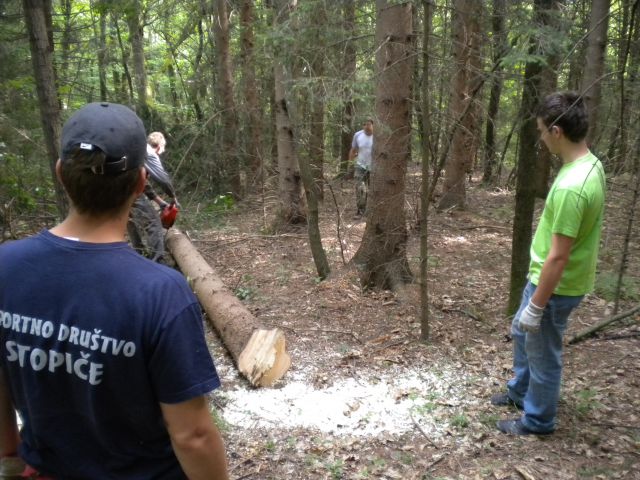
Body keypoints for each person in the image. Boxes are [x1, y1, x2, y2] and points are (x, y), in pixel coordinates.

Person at [0, 102, 229, 479]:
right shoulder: (161, 293)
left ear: (60, 173)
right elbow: (193, 435)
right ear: (141, 182)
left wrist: (10, 455)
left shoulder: (6, 266)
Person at [492, 92, 606, 435]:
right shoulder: (589, 164)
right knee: (523, 337)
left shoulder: (572, 187)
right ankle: (520, 391)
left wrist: (537, 305)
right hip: (547, 279)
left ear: (557, 131)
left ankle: (538, 421)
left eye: (543, 131)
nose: (541, 138)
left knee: (543, 355)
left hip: (555, 285)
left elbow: (559, 254)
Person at [127, 131, 178, 263]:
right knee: (154, 222)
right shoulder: (150, 153)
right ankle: (158, 260)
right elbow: (163, 179)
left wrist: (161, 203)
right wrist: (173, 196)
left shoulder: (139, 151)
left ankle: (140, 253)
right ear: (160, 146)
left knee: (130, 219)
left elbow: (144, 183)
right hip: (129, 187)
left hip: (117, 186)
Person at [348, 118, 374, 216]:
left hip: (374, 167)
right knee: (360, 188)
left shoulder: (378, 136)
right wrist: (350, 164)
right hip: (360, 165)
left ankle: (371, 210)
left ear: (373, 125)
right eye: (364, 125)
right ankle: (360, 209)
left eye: (368, 125)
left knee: (372, 189)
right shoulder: (358, 135)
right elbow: (353, 150)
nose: (366, 127)